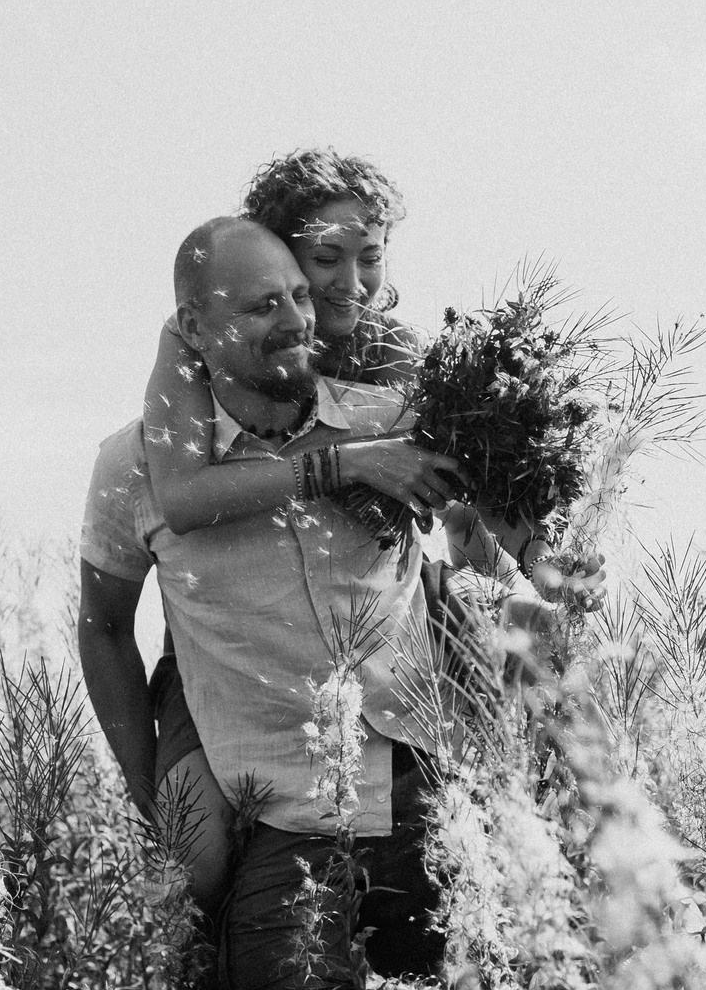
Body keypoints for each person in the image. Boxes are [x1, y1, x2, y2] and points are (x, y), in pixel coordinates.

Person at [75, 215, 492, 990]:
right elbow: (99, 626)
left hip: (404, 783)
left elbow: (490, 531)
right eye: (262, 307)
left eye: (298, 297)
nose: (296, 320)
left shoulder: (388, 428)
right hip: (273, 807)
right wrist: (153, 793)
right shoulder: (137, 466)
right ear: (194, 329)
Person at [133, 151, 552, 910]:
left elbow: (464, 492)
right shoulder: (199, 345)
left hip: (380, 619)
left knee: (533, 685)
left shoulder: (394, 355)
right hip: (230, 646)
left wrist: (529, 553)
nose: (348, 284)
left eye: (370, 258)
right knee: (196, 865)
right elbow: (181, 490)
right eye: (323, 258)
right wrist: (347, 464)